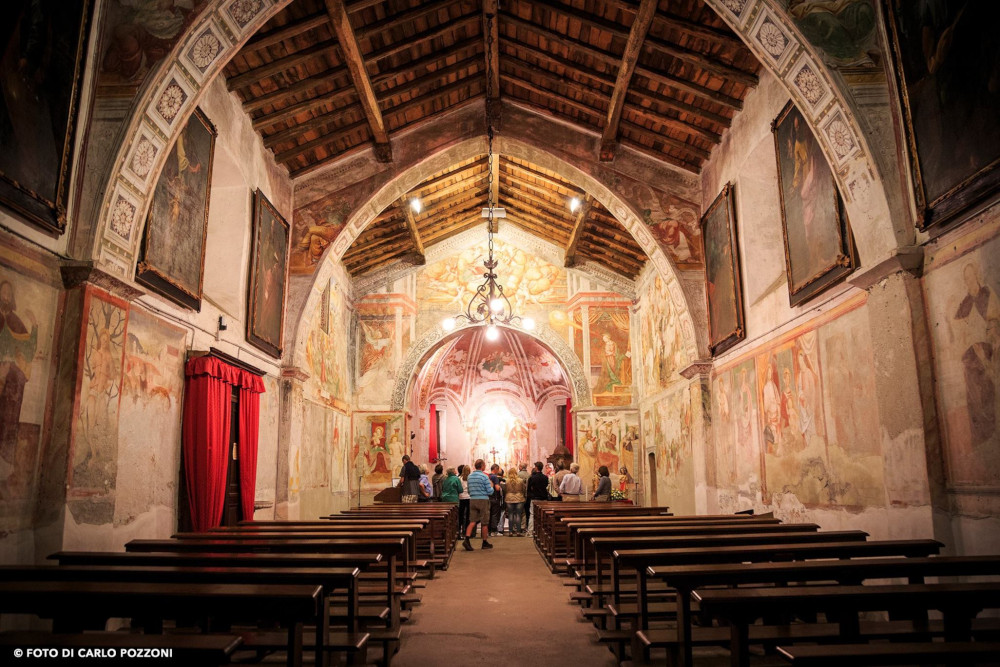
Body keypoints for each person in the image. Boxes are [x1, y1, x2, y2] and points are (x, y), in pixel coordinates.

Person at [463, 459, 494, 551]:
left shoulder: (470, 476)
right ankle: (484, 542)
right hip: (483, 500)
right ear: (482, 466)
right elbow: (490, 491)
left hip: (472, 500)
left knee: (472, 521)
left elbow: (468, 490)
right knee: (484, 522)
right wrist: (491, 486)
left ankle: (467, 540)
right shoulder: (484, 477)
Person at [526, 461, 548, 534]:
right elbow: (546, 486)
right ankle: (542, 531)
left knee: (532, 514)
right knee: (543, 515)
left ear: (536, 468)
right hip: (543, 498)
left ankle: (531, 531)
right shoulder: (545, 477)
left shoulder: (532, 477)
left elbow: (529, 488)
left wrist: (530, 495)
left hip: (535, 498)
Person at [504, 466, 526, 536]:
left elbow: (505, 490)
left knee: (510, 515)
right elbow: (524, 489)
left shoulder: (506, 481)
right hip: (519, 498)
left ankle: (510, 531)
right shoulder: (520, 480)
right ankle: (518, 531)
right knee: (518, 515)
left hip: (509, 498)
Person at [488, 463, 505, 535]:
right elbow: (497, 488)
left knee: (489, 514)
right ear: (495, 469)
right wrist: (501, 488)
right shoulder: (495, 477)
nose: (498, 471)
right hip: (495, 497)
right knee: (495, 514)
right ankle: (494, 530)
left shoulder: (488, 476)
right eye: (498, 469)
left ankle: (488, 530)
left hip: (488, 497)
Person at [458, 465, 471, 536]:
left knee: (461, 514)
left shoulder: (459, 478)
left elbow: (459, 488)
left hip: (461, 497)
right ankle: (466, 531)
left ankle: (459, 529)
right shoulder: (470, 478)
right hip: (468, 497)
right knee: (468, 515)